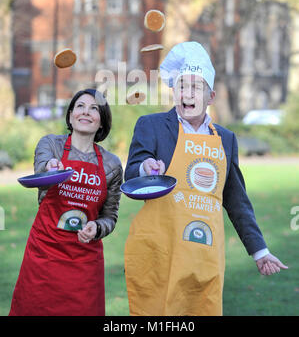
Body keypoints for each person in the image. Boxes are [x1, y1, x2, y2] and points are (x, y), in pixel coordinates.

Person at [124, 41, 288, 316]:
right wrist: (145, 168)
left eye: (195, 87)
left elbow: (236, 199)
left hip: (203, 252)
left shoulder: (225, 139)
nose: (187, 93)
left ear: (210, 96)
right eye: (181, 86)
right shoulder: (151, 126)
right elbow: (130, 175)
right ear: (174, 91)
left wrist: (259, 251)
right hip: (159, 249)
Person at [9, 88, 123, 316]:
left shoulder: (111, 165)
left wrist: (97, 227)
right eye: (80, 106)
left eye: (94, 108)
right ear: (70, 115)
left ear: (102, 122)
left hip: (84, 262)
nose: (86, 112)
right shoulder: (51, 145)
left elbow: (110, 216)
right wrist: (51, 168)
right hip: (44, 255)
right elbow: (41, 173)